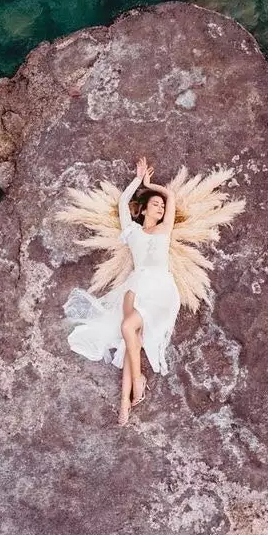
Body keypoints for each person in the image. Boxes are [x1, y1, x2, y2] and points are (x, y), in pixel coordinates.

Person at [64, 157, 181, 426]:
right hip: (135, 286)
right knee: (132, 337)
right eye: (155, 204)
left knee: (129, 329)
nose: (161, 207)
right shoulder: (132, 230)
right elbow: (122, 202)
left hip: (161, 289)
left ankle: (137, 385)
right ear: (143, 210)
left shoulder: (165, 229)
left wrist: (156, 187)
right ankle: (125, 407)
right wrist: (138, 181)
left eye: (162, 207)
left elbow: (171, 197)